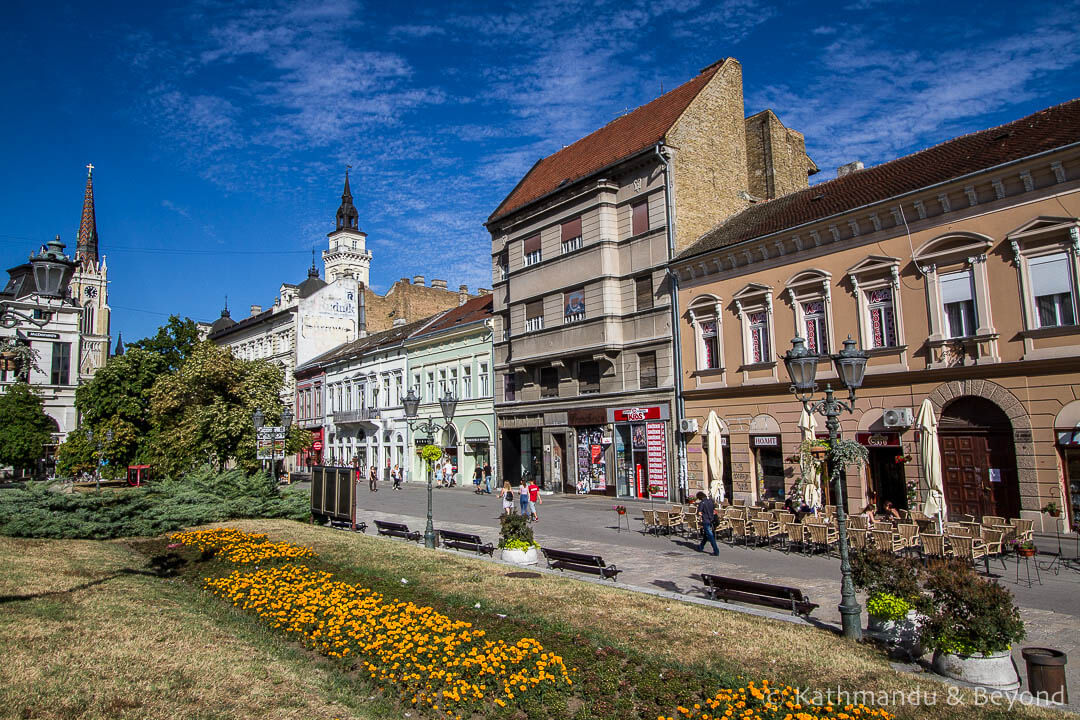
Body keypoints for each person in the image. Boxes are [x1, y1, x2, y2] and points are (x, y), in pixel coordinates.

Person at [695, 491, 720, 556]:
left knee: (710, 536)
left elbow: (699, 513)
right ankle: (701, 547)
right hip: (711, 520)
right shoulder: (711, 501)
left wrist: (702, 514)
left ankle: (716, 550)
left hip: (706, 521)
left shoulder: (702, 503)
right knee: (706, 535)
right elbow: (714, 511)